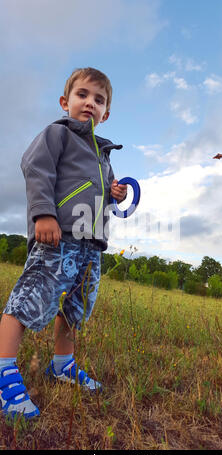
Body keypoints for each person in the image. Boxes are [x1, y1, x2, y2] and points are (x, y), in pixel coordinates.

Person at [0, 67, 127, 419]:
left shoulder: (104, 155)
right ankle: (3, 370)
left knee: (75, 308)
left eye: (98, 100)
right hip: (58, 236)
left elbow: (101, 193)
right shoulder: (58, 134)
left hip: (92, 245)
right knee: (29, 299)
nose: (90, 103)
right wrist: (43, 213)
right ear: (65, 102)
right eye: (82, 95)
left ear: (106, 113)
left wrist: (116, 193)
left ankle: (61, 364)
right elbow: (36, 167)